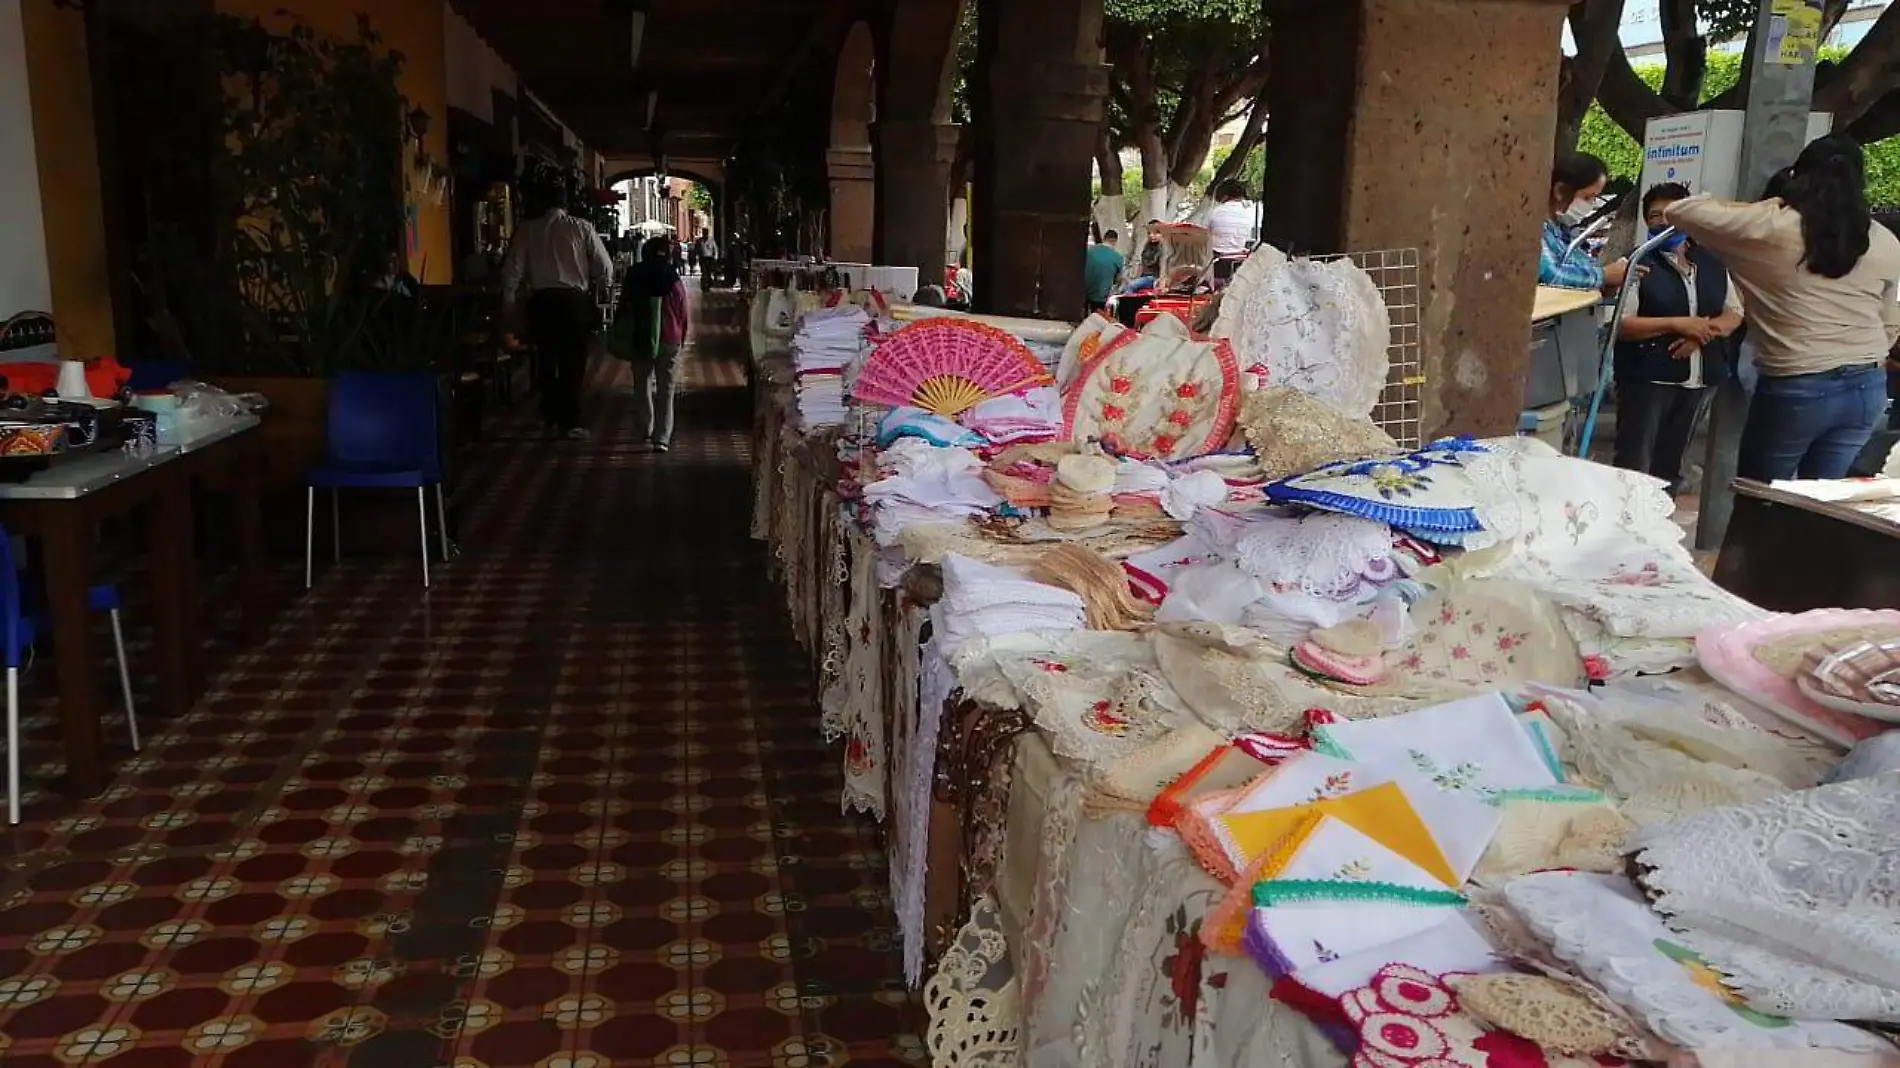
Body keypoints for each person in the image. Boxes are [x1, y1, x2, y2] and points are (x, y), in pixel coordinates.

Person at [1666, 134, 1900, 480]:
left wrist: (1774, 201)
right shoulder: (1884, 240)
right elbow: (1891, 323)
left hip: (1798, 383)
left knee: (1760, 500)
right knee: (1819, 505)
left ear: (1798, 175)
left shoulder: (1769, 227)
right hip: (1866, 386)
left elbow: (1679, 210)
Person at [1612, 182, 1746, 494]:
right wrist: (1677, 323)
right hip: (1648, 379)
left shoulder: (1711, 262)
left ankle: (1662, 527)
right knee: (1635, 464)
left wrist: (1701, 334)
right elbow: (1621, 324)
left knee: (1670, 466)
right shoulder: (1635, 262)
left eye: (1672, 214)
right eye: (1655, 215)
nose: (1663, 222)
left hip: (1699, 379)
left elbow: (1734, 313)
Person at [501, 164, 614, 440]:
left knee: (544, 359)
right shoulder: (582, 227)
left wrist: (509, 303)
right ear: (566, 203)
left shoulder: (527, 230)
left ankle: (549, 414)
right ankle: (570, 420)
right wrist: (602, 290)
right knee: (573, 360)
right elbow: (605, 268)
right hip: (574, 302)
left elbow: (512, 271)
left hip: (541, 303)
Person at [1538, 152, 1634, 291]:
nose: (1590, 205)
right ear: (1560, 191)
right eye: (1587, 197)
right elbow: (1551, 275)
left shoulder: (1561, 231)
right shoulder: (1535, 229)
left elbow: (1582, 266)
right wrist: (1604, 275)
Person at [1206, 181, 1255, 258]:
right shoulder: (1251, 211)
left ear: (1224, 196)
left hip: (1216, 257)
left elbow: (1204, 235)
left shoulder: (1215, 211)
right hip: (1240, 256)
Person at [1084, 229, 1126, 315]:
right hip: (1100, 295)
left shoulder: (1089, 251)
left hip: (1083, 292)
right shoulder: (1117, 257)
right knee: (1097, 318)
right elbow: (1119, 280)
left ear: (1104, 238)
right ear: (1115, 242)